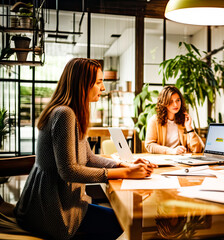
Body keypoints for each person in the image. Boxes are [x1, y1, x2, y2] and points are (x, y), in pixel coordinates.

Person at [14, 58, 157, 240]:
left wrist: (123, 164)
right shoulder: (65, 114)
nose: (103, 88)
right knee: (119, 223)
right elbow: (68, 171)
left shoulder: (69, 112)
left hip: (48, 204)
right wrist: (126, 173)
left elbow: (89, 158)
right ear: (82, 84)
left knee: (114, 218)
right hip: (52, 212)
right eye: (98, 82)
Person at [145, 86, 204, 154]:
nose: (175, 104)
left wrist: (189, 128)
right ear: (164, 103)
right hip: (162, 160)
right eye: (171, 101)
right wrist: (171, 151)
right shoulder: (154, 120)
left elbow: (198, 149)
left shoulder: (183, 120)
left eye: (178, 100)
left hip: (181, 161)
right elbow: (149, 145)